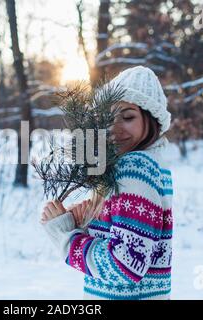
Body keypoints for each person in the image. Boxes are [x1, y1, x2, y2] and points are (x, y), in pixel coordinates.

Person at [40, 65, 173, 300]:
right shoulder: (152, 166)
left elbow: (125, 266)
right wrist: (89, 222)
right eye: (107, 117)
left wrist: (66, 237)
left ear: (151, 119)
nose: (114, 128)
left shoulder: (134, 169)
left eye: (128, 117)